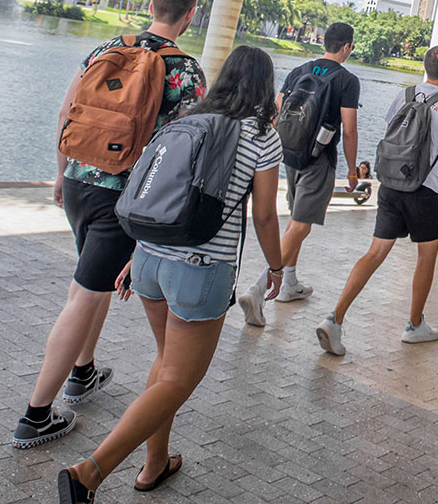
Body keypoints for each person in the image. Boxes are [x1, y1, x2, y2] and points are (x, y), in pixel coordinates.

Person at [55, 45, 285, 501]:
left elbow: (156, 194)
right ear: (266, 87)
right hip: (199, 271)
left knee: (166, 365)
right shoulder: (262, 135)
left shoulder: (187, 118)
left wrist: (136, 253)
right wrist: (278, 265)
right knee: (179, 379)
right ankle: (90, 472)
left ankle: (155, 463)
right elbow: (263, 215)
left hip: (149, 263)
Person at [14, 0, 203, 449]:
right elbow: (184, 151)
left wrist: (61, 174)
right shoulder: (185, 71)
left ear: (152, 3)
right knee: (83, 294)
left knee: (91, 285)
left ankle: (83, 372)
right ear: (190, 14)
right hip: (123, 200)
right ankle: (35, 416)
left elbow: (67, 114)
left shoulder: (104, 48)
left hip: (79, 180)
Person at [315, 44, 438, 357]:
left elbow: (390, 137)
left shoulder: (404, 95)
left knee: (375, 252)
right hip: (426, 192)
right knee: (426, 256)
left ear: (425, 67)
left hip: (392, 186)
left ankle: (335, 317)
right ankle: (414, 325)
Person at [273, 22, 363, 307]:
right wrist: (351, 171)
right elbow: (349, 130)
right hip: (319, 157)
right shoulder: (347, 80)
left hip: (289, 151)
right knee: (302, 225)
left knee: (295, 219)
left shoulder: (299, 71)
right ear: (346, 46)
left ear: (325, 42)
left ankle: (288, 282)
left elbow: (278, 109)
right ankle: (262, 284)